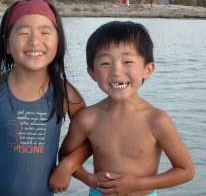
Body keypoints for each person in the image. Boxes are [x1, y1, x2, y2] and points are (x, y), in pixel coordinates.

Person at [52, 21, 194, 196]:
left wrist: (137, 184)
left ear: (147, 70)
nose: (116, 71)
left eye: (127, 61)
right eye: (105, 63)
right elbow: (66, 155)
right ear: (92, 73)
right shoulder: (87, 119)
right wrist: (89, 179)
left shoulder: (156, 120)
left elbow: (185, 170)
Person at [0, 0, 87, 196]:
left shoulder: (66, 94)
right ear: (6, 45)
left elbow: (94, 134)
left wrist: (68, 165)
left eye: (45, 32)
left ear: (58, 42)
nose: (34, 41)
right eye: (23, 33)